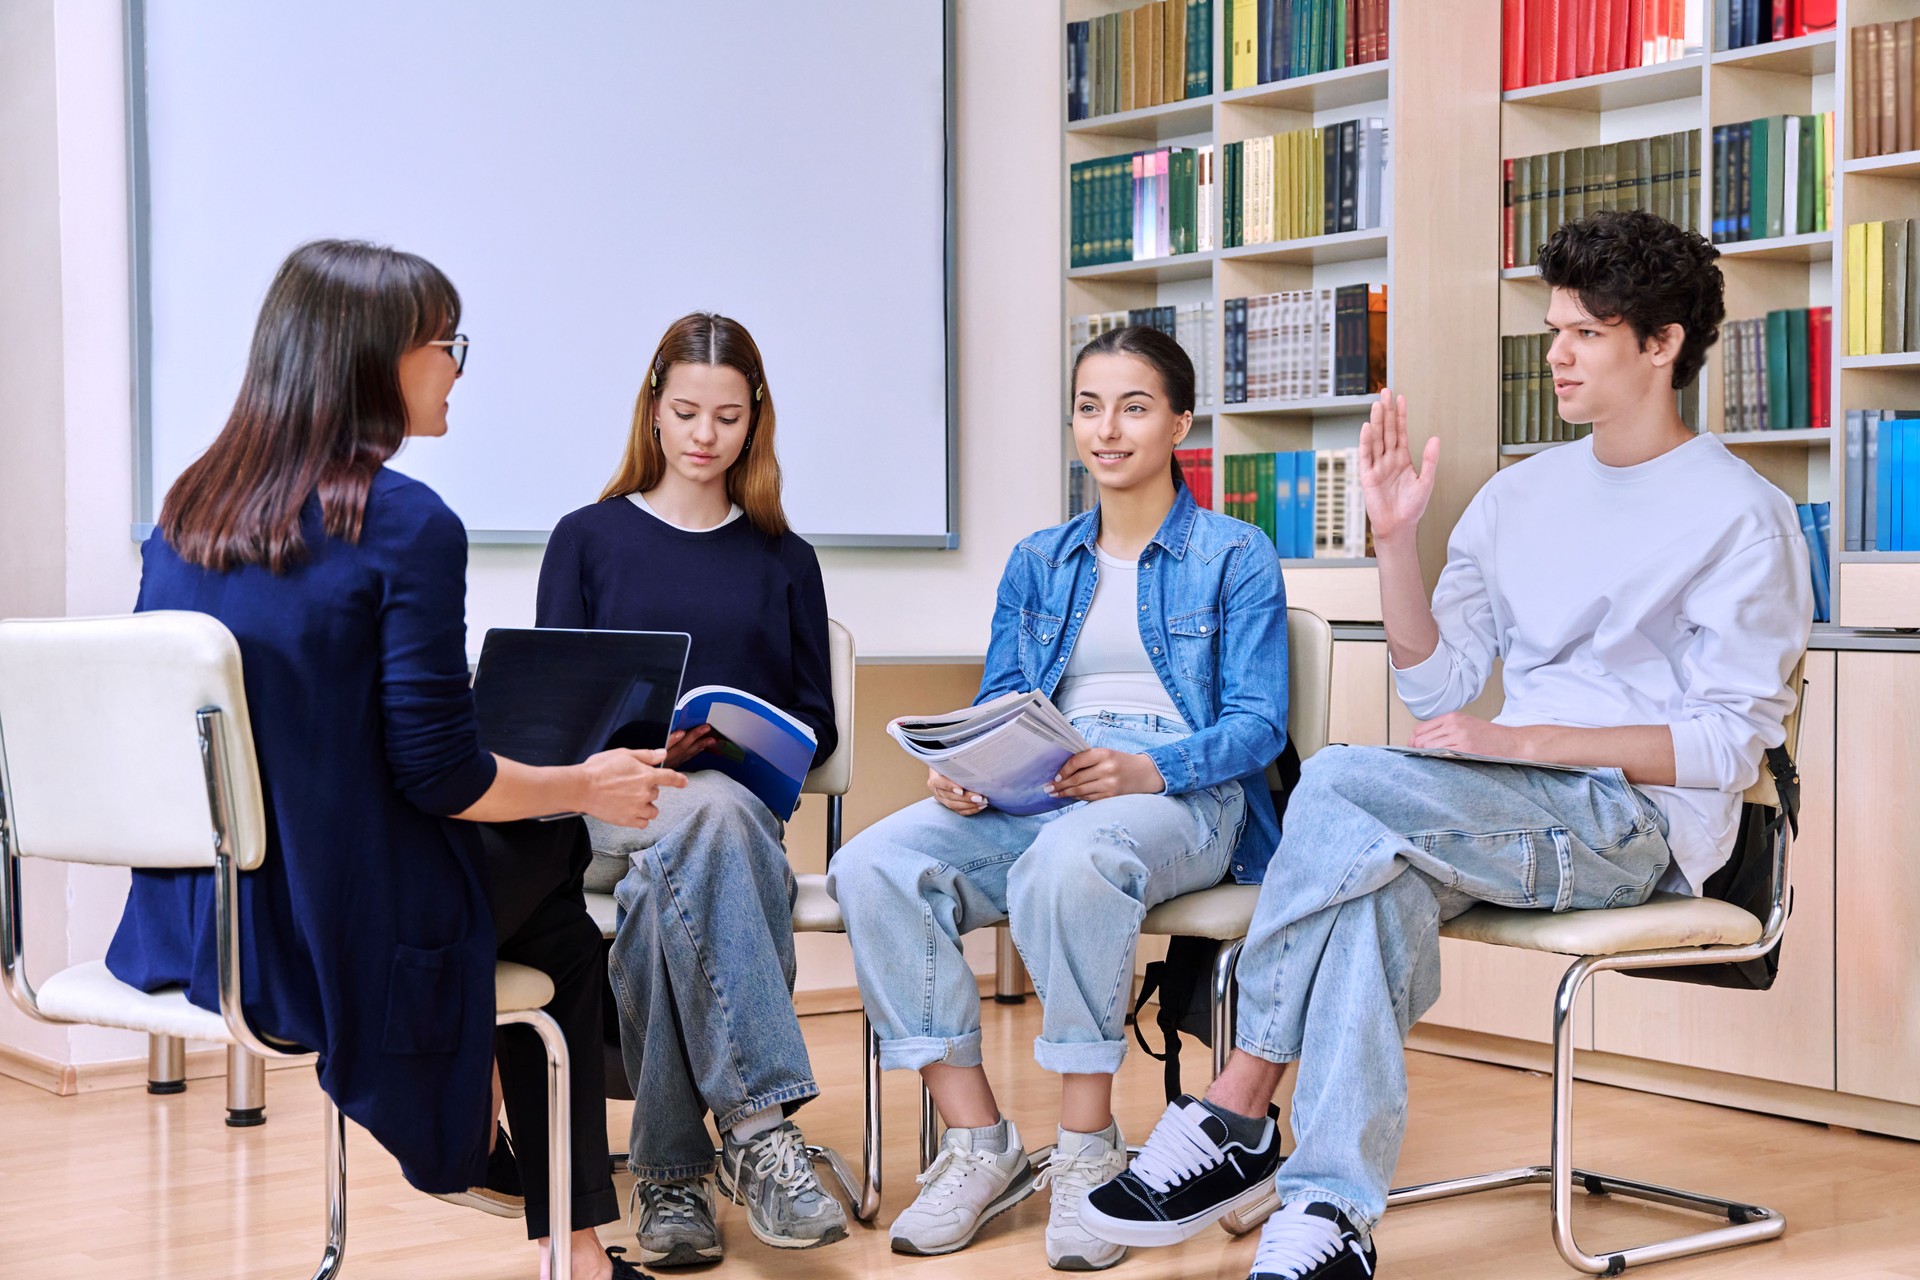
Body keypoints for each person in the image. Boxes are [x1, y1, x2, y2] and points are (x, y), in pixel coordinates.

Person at [1079, 210, 1813, 1280]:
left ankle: (1237, 1101)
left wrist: (1522, 736)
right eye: (1552, 326)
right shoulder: (1522, 495)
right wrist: (1393, 540)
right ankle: (1329, 1217)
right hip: (1499, 803)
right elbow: (1437, 676)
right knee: (1374, 891)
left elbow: (1721, 746)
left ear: (1661, 345)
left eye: (1586, 333)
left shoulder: (1744, 516)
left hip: (1628, 826)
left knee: (1338, 779)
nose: (1555, 352)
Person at [104, 239, 676, 1280]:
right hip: (324, 938)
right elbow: (442, 777)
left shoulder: (186, 514)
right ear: (376, 358)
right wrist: (589, 782)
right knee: (549, 862)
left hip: (202, 924)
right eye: (445, 343)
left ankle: (518, 1166)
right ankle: (558, 1215)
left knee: (551, 929)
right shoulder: (403, 520)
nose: (458, 366)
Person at [827, 324, 1292, 1271]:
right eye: (1089, 407)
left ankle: (1087, 1151)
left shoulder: (1235, 554)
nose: (1106, 429)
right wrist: (968, 767)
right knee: (870, 863)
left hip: (1185, 796)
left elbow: (1258, 726)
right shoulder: (1040, 559)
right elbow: (1004, 699)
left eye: (1133, 406)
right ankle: (979, 1145)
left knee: (1070, 857)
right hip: (1047, 790)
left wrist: (1141, 768)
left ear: (1180, 423)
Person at [535, 312, 844, 1265]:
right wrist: (637, 755)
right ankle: (757, 1133)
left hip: (725, 814)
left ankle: (670, 1180)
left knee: (679, 866)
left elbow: (815, 724)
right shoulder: (586, 539)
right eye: (686, 413)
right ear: (654, 413)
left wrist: (738, 741)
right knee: (702, 830)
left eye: (728, 417)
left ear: (757, 421)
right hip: (605, 810)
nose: (706, 436)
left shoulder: (783, 557)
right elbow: (549, 716)